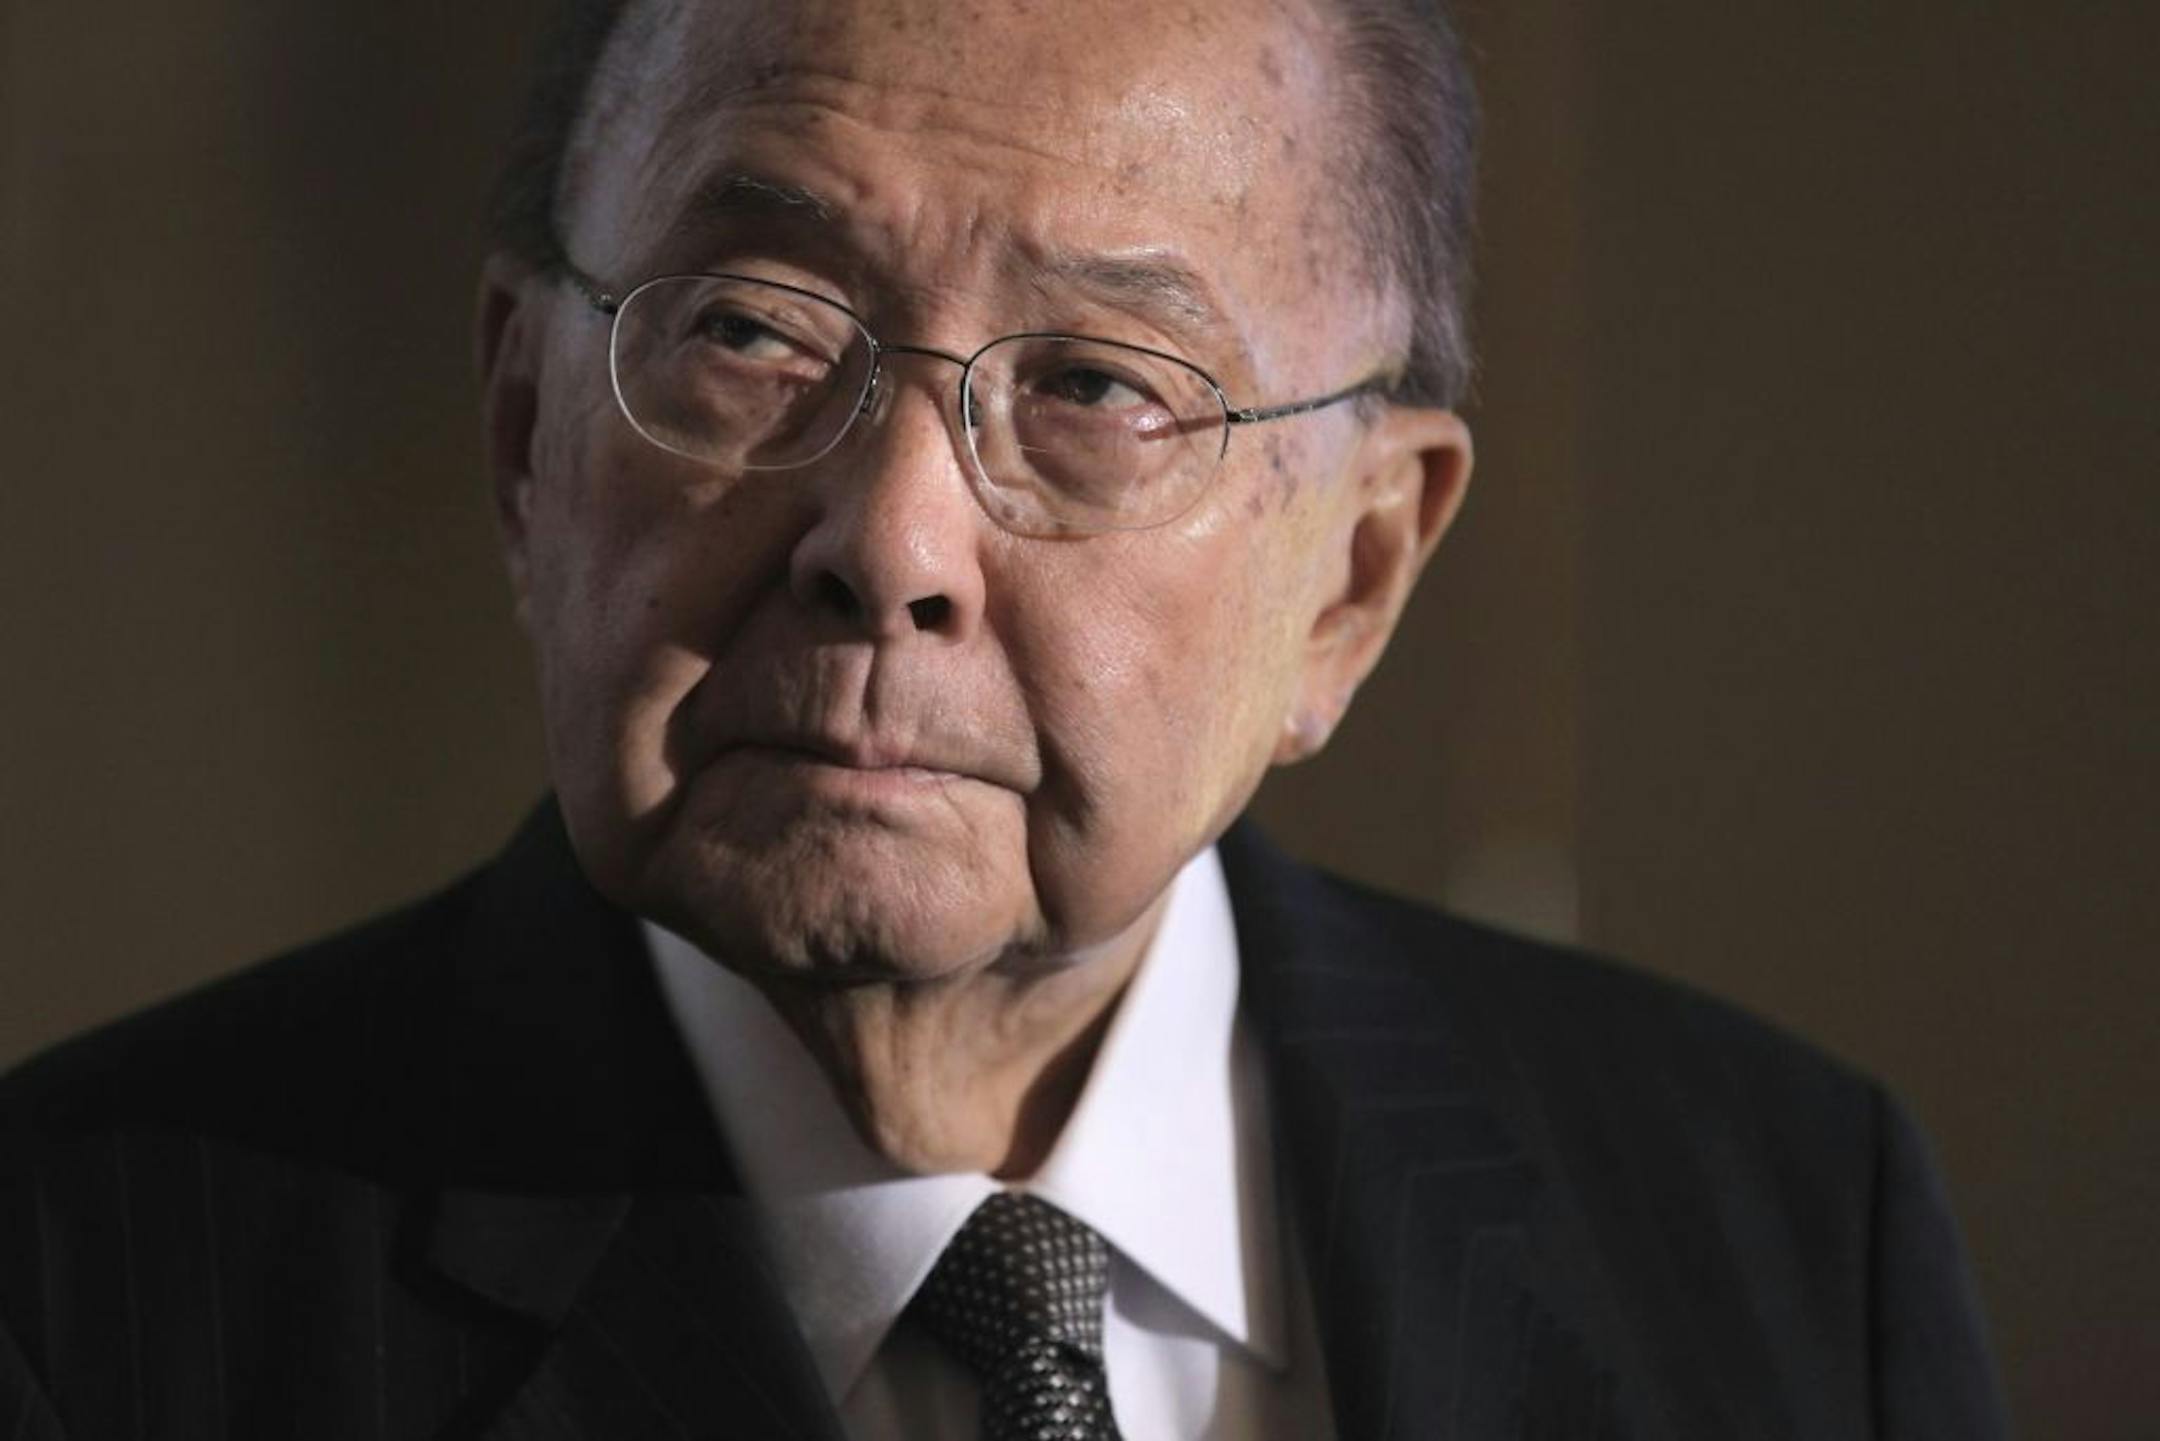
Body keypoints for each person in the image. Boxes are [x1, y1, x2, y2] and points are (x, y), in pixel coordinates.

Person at [0, 0, 2009, 1436]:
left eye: (1099, 388)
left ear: (1356, 574)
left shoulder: (1777, 1225)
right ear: (529, 430)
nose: (888, 541)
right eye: (755, 329)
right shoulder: (86, 1291)